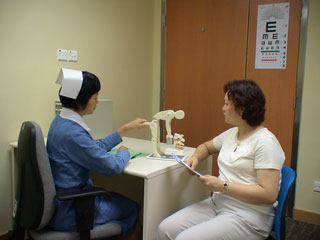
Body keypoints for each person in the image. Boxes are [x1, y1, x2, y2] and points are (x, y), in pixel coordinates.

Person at [157, 80, 285, 240]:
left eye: (226, 104)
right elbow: (206, 147)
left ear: (242, 109)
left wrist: (222, 185)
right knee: (165, 229)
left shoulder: (266, 143)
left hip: (248, 215)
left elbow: (268, 194)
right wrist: (195, 157)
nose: (222, 108)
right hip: (219, 203)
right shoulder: (232, 133)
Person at [47, 68, 147, 239]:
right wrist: (124, 153)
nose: (97, 102)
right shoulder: (73, 134)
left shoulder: (61, 122)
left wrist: (124, 130)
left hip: (62, 201)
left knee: (117, 199)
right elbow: (113, 167)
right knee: (133, 208)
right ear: (80, 101)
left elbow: (93, 147)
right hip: (72, 210)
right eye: (95, 97)